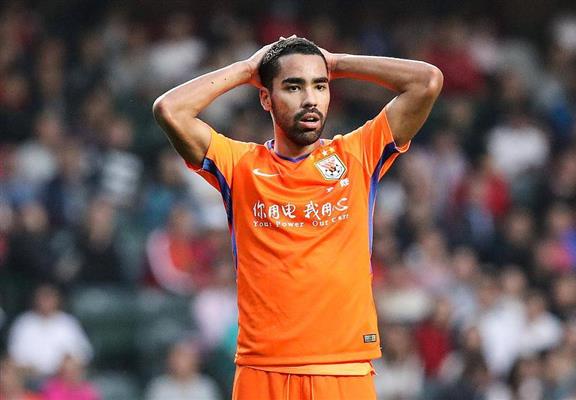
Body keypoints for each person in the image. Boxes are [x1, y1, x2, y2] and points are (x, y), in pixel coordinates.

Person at [153, 36, 442, 399]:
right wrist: (247, 69)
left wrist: (336, 63)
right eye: (293, 87)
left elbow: (427, 81)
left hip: (344, 370)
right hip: (263, 371)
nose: (310, 99)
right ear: (266, 98)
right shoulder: (240, 166)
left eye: (319, 86)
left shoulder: (357, 154)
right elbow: (170, 110)